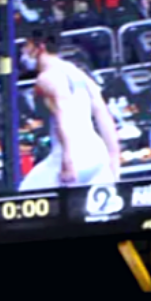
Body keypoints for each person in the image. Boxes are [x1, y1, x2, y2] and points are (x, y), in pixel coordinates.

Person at [17, 27, 121, 190]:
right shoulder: (76, 72)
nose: (23, 51)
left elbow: (64, 115)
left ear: (40, 47)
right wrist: (114, 156)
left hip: (72, 156)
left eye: (27, 45)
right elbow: (102, 113)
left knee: (25, 196)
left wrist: (68, 160)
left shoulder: (47, 78)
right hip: (97, 154)